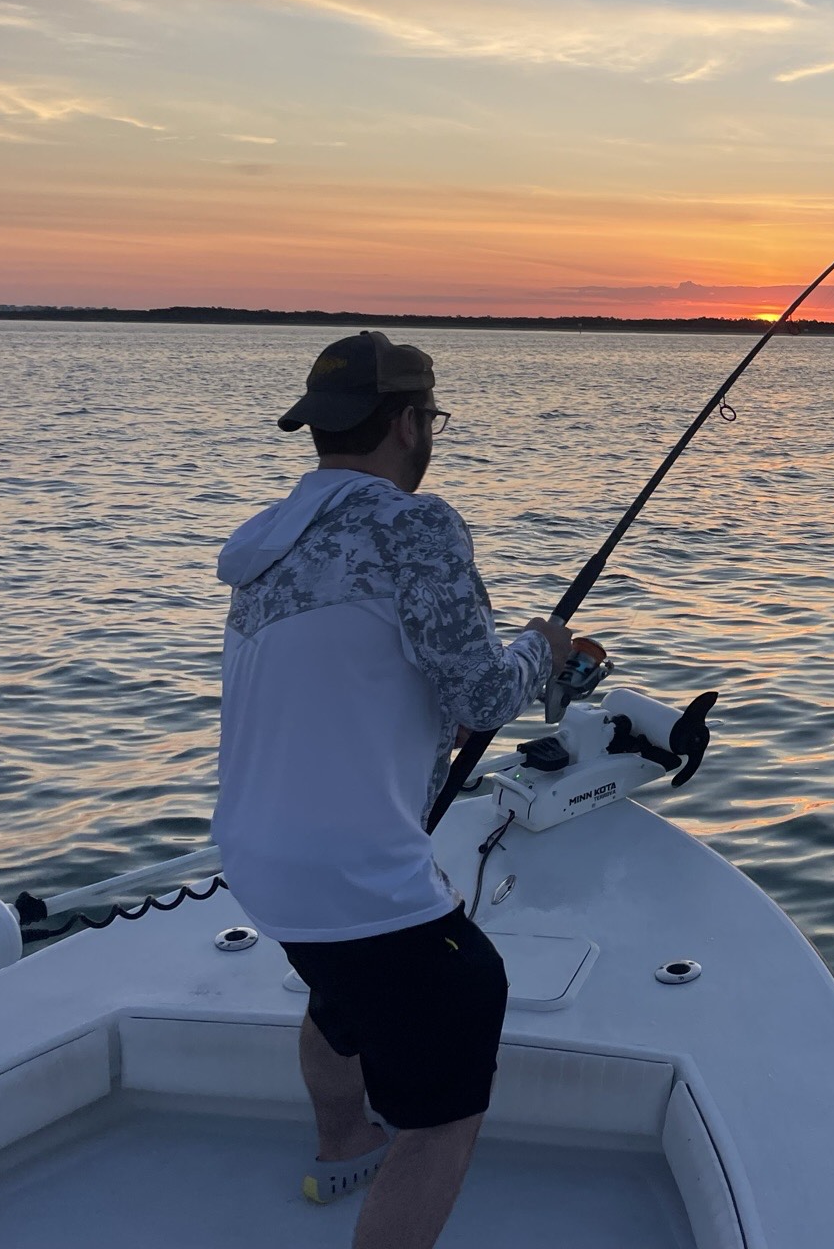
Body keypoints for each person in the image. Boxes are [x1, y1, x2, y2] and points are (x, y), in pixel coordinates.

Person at [211, 329, 570, 1249]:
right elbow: (485, 695)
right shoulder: (415, 523)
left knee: (339, 992)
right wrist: (546, 647)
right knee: (453, 1064)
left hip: (258, 861)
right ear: (410, 424)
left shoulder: (271, 543)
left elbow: (354, 674)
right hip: (353, 875)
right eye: (431, 420)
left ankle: (340, 1145)